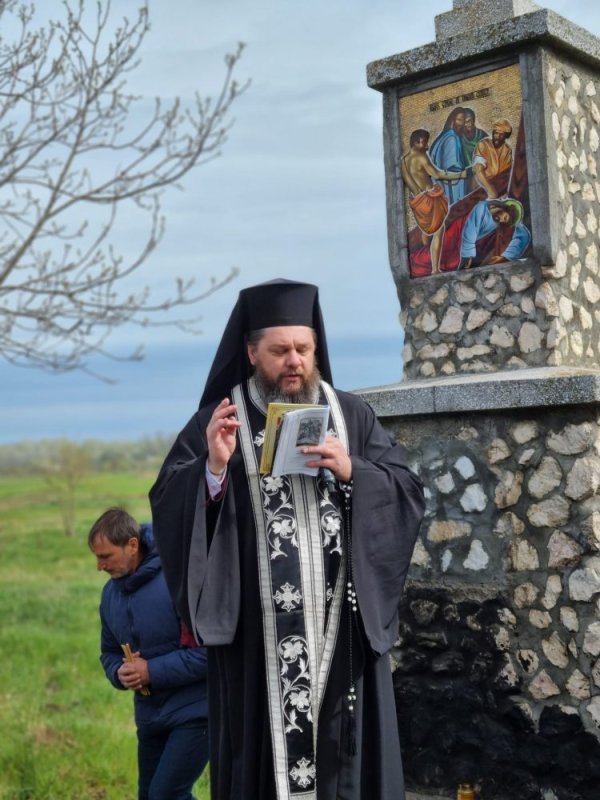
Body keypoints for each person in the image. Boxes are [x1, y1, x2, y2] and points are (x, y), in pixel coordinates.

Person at [150, 279, 426, 800]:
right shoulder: (220, 419)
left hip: (340, 633)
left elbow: (407, 492)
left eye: (303, 349)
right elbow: (168, 498)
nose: (293, 361)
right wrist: (213, 468)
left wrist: (353, 472)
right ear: (252, 351)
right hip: (258, 642)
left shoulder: (352, 415)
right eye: (279, 351)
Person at [89, 508, 209, 800]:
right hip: (150, 716)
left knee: (166, 795)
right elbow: (108, 652)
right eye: (96, 557)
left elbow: (209, 654)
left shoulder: (178, 579)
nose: (99, 566)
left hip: (196, 712)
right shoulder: (110, 595)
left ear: (132, 545)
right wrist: (118, 672)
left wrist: (150, 671)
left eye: (105, 556)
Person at [402, 128, 468, 273]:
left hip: (417, 201)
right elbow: (437, 174)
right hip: (429, 200)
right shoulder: (421, 157)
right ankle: (435, 269)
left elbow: (410, 182)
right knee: (439, 230)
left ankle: (427, 252)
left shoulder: (404, 160)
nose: (427, 146)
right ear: (416, 142)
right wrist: (460, 175)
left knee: (427, 228)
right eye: (424, 142)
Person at [459, 198, 530, 269]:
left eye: (504, 221)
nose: (501, 220)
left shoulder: (497, 223)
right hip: (459, 241)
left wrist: (507, 255)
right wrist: (467, 256)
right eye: (505, 217)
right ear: (504, 208)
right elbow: (470, 232)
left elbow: (523, 233)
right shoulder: (482, 208)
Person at [428, 106, 469, 204]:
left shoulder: (443, 137)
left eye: (463, 121)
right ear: (452, 120)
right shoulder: (452, 138)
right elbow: (453, 167)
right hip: (452, 189)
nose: (462, 124)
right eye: (459, 120)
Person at [472, 119, 513, 198]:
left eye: (501, 134)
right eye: (495, 133)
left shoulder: (507, 150)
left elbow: (507, 173)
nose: (496, 136)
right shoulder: (483, 145)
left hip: (499, 187)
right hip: (481, 186)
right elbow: (478, 170)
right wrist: (490, 190)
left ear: (506, 136)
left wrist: (506, 191)